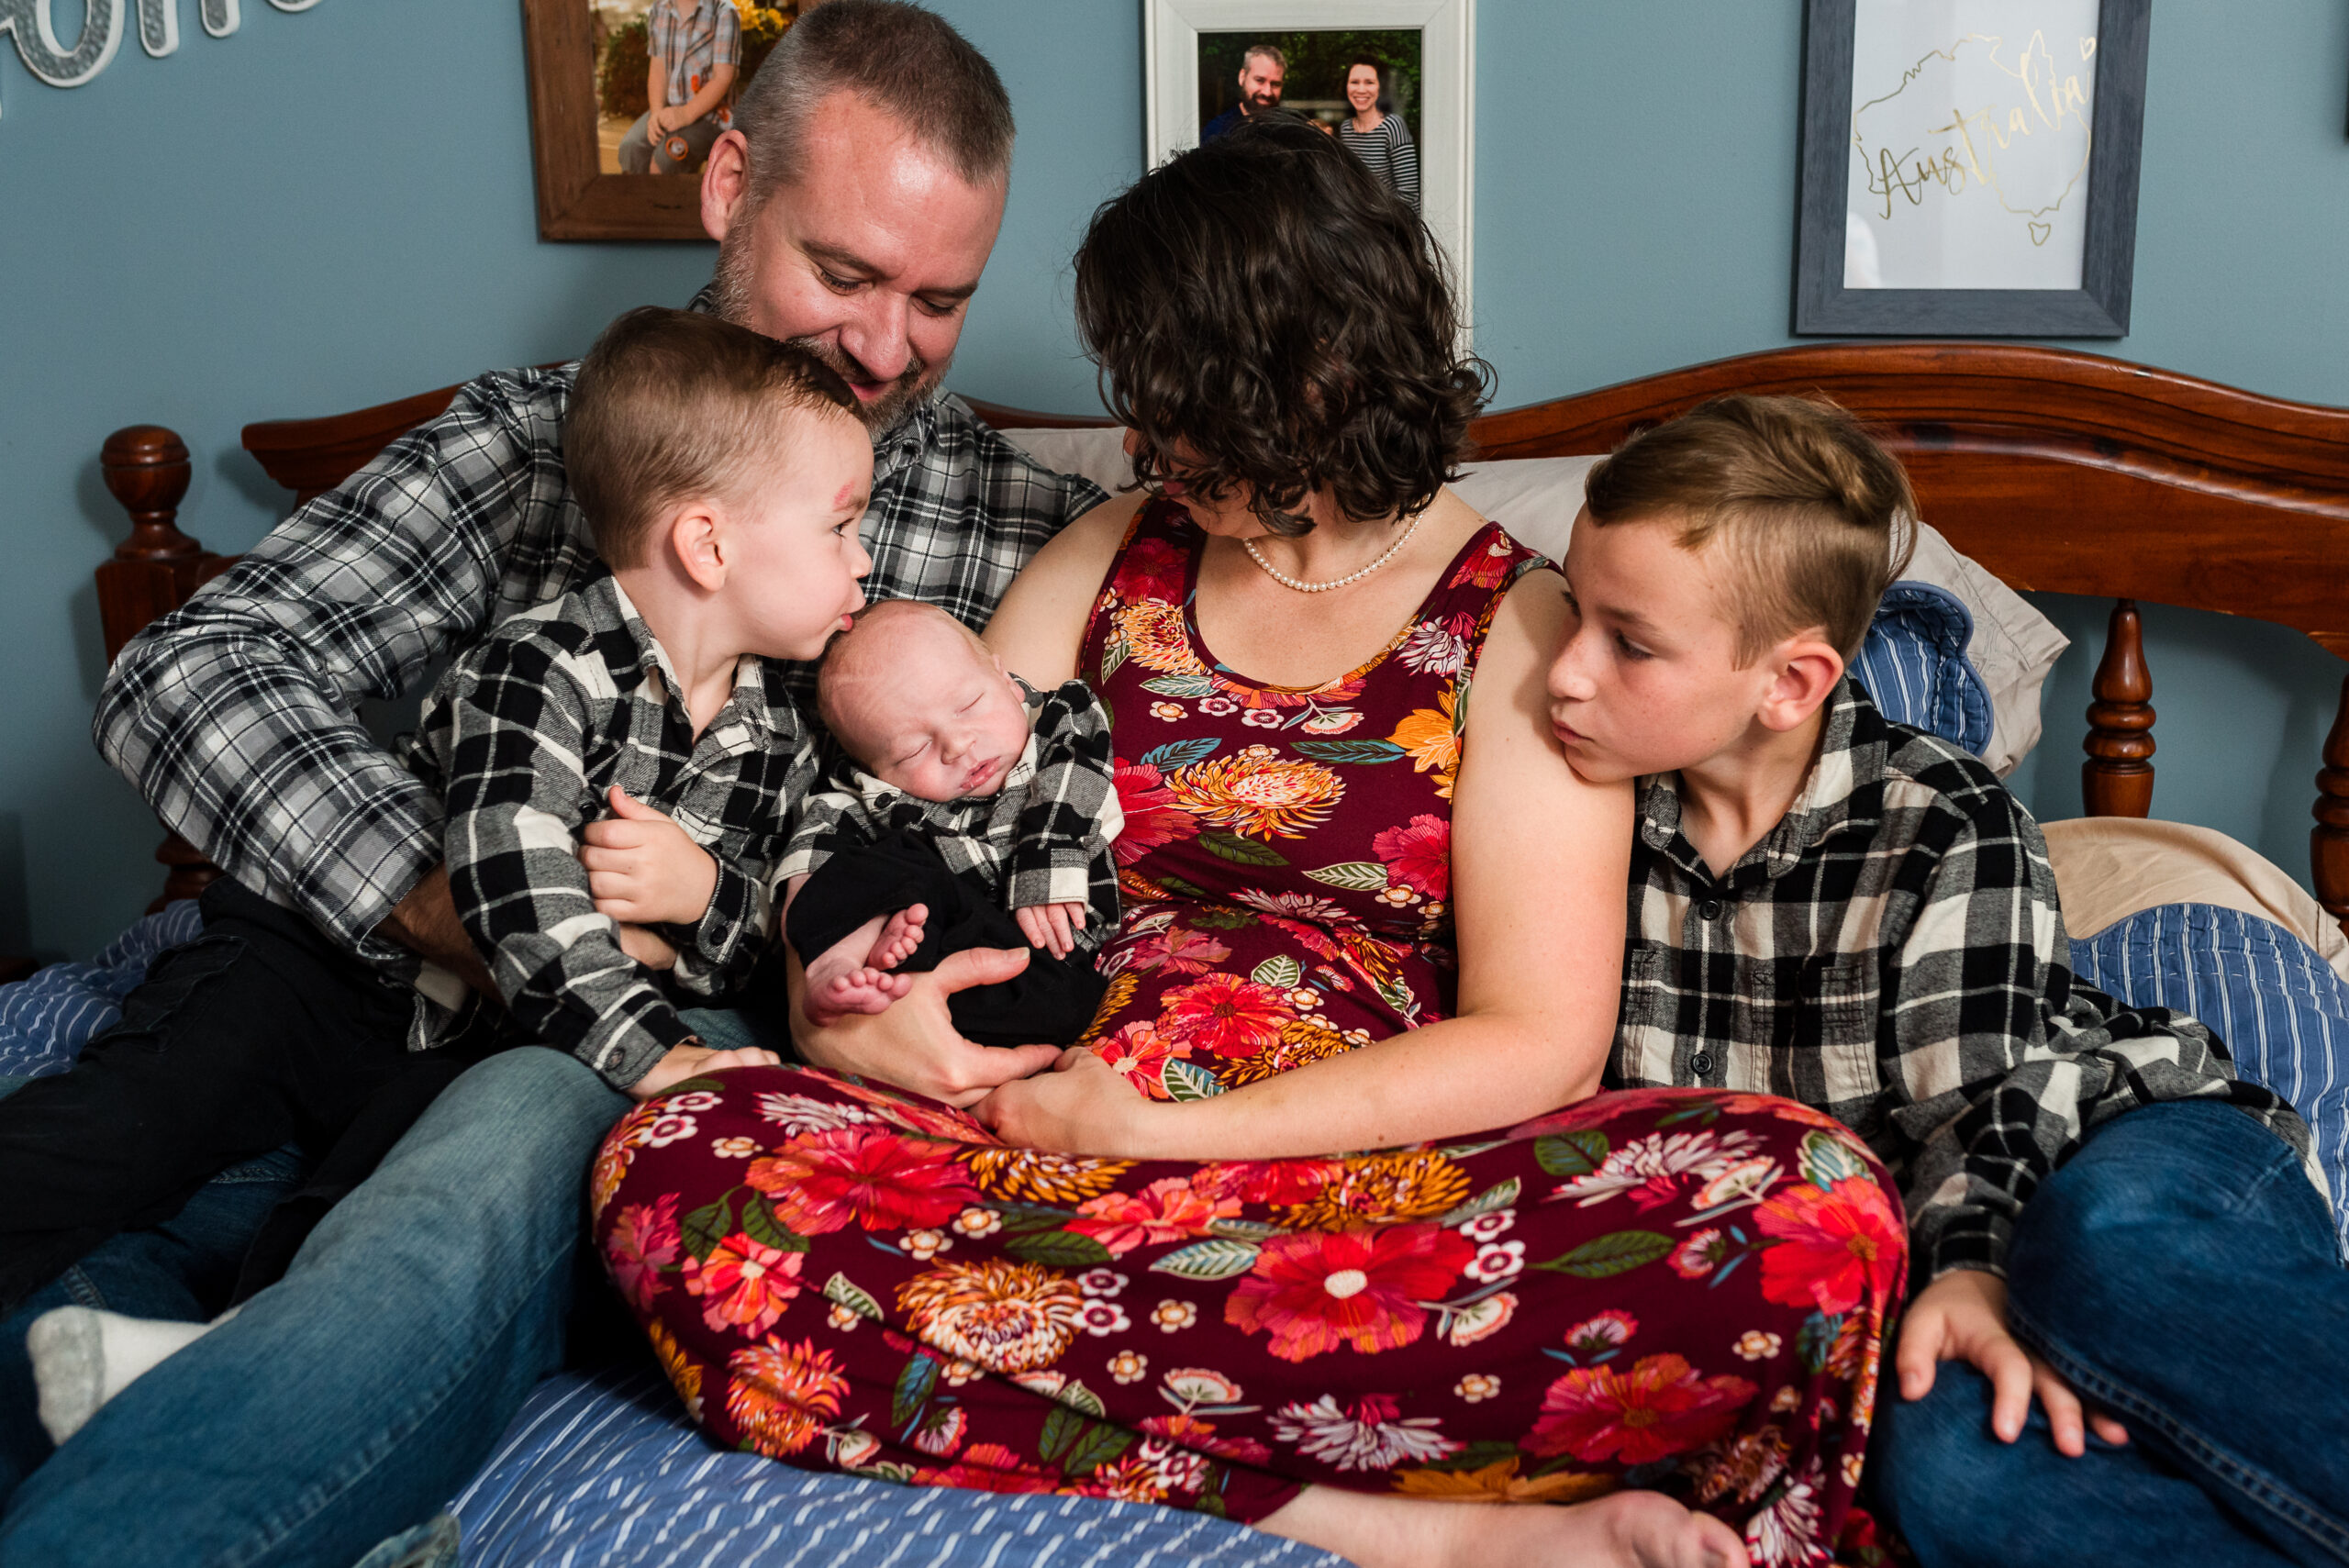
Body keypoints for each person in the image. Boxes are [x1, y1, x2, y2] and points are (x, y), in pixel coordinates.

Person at [601, 118, 1904, 1568]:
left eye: (1181, 402)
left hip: (1351, 1194)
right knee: (675, 1160)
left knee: (1811, 1211)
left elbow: (1541, 1043)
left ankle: (1069, 1379)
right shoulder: (1111, 558)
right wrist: (850, 1004)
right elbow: (898, 824)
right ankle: (1385, 1512)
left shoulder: (1522, 623)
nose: (1150, 443)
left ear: (1310, 378)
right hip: (1034, 1141)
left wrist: (1167, 1136)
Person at [0, 6, 1106, 1564]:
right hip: (354, 960)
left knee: (397, 1225)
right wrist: (448, 899)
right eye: (846, 273)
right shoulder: (540, 443)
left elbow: (1098, 756)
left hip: (608, 1030)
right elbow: (190, 665)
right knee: (91, 1183)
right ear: (729, 186)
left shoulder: (1021, 526)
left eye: (941, 300)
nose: (883, 344)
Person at [19, 305, 863, 1440]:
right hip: (317, 967)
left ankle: (240, 1353)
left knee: (375, 1200)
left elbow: (768, 917)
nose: (867, 559)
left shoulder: (780, 725)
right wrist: (661, 1054)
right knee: (140, 1118)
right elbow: (511, 889)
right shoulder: (541, 665)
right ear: (709, 545)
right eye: (843, 527)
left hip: (476, 1030)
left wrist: (703, 895)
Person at [1541, 394, 2344, 1568]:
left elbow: (1987, 1097)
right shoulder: (1574, 826)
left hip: (2101, 1136)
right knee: (1941, 1465)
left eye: (1627, 640)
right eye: (1571, 611)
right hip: (1900, 1250)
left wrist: (1970, 1267)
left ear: (1789, 680)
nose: (1562, 673)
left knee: (2106, 1251)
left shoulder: (1943, 816)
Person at [778, 600, 1122, 1047]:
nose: (958, 745)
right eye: (912, 752)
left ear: (1006, 680)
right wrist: (824, 938)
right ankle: (840, 966)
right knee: (880, 862)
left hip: (1048, 960)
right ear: (876, 771)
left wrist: (1046, 853)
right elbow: (810, 864)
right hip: (934, 952)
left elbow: (1076, 772)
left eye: (969, 705)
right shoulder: (872, 801)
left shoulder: (1058, 724)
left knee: (1072, 1003)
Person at [618, 0, 742, 176]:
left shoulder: (724, 12)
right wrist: (656, 113)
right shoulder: (660, 8)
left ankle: (667, 202)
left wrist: (685, 114)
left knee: (665, 161)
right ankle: (639, 201)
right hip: (671, 107)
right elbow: (658, 67)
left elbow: (723, 78)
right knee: (631, 148)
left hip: (712, 116)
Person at [1334, 59, 1418, 211]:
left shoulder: (1393, 126)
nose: (1361, 89)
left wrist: (1371, 215)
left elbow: (1408, 192)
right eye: (1354, 82)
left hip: (1396, 222)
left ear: (1380, 88)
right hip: (1364, 221)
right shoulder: (1346, 129)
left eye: (1369, 82)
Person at [1200, 43, 1285, 142]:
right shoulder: (1218, 131)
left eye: (1275, 84)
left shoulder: (1286, 131)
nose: (1267, 92)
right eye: (1259, 80)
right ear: (1242, 77)